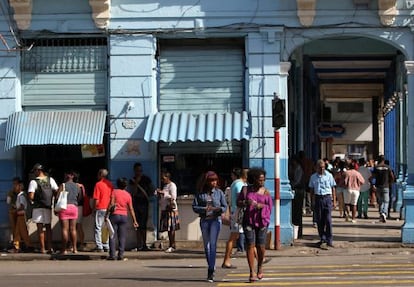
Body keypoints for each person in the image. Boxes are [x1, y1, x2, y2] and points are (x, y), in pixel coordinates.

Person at [237, 167, 273, 282]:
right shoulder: (246, 190)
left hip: (262, 221)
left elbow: (269, 207)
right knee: (250, 245)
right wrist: (245, 202)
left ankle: (260, 266)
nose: (261, 182)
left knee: (261, 246)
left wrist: (261, 206)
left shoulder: (266, 192)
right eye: (259, 180)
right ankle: (251, 271)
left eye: (263, 180)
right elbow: (238, 202)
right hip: (248, 220)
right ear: (254, 179)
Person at [192, 171, 227, 283]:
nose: (214, 182)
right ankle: (211, 264)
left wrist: (218, 209)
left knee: (212, 244)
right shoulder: (200, 193)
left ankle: (211, 270)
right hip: (204, 220)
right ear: (206, 182)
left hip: (215, 220)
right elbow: (194, 206)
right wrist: (204, 209)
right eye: (212, 180)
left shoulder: (219, 193)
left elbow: (224, 206)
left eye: (215, 180)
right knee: (206, 246)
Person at [27, 163, 59, 254]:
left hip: (37, 207)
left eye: (35, 171)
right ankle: (50, 248)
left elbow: (31, 196)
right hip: (48, 206)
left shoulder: (33, 182)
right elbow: (56, 190)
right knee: (48, 227)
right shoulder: (50, 180)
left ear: (38, 170)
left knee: (40, 228)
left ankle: (42, 248)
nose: (34, 173)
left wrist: (31, 199)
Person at [105, 177, 139, 261]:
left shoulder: (114, 192)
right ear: (126, 186)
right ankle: (121, 254)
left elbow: (111, 204)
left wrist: (106, 214)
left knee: (112, 235)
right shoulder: (128, 195)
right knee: (122, 237)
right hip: (124, 216)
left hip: (115, 215)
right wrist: (134, 220)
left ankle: (112, 255)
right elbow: (131, 209)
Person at [221, 168, 248, 268]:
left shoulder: (234, 184)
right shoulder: (240, 184)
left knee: (246, 237)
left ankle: (259, 258)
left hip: (235, 212)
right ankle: (226, 260)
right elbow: (241, 199)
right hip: (238, 214)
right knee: (234, 237)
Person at [308, 159, 336, 250]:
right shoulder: (313, 177)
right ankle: (322, 238)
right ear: (316, 168)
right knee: (320, 220)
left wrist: (334, 201)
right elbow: (311, 191)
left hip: (327, 198)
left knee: (328, 220)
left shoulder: (329, 176)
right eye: (320, 168)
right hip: (318, 198)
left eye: (323, 167)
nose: (322, 169)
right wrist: (312, 202)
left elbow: (333, 188)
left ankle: (329, 239)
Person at [129, 162, 155, 251]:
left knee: (143, 225)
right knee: (137, 225)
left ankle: (144, 244)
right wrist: (136, 183)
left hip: (144, 204)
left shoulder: (146, 179)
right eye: (137, 171)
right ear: (134, 171)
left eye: (140, 170)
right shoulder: (132, 180)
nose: (139, 172)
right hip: (136, 204)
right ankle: (139, 244)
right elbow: (133, 193)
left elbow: (152, 191)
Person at [55, 170, 82, 254]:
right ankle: (74, 249)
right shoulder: (78, 186)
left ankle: (64, 249)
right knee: (73, 229)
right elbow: (79, 197)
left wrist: (55, 209)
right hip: (74, 207)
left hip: (64, 208)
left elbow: (57, 198)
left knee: (65, 229)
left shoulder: (63, 185)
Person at [156, 171, 180, 253]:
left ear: (168, 177)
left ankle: (172, 245)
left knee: (171, 228)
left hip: (170, 210)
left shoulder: (172, 185)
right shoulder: (165, 186)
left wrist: (164, 193)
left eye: (163, 178)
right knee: (168, 228)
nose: (162, 180)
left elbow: (173, 197)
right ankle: (171, 244)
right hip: (165, 209)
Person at [92, 168, 113, 252]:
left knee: (98, 227)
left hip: (100, 207)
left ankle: (99, 246)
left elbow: (96, 198)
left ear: (100, 175)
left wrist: (94, 208)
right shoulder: (110, 184)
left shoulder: (98, 184)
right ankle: (106, 245)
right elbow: (112, 197)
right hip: (108, 208)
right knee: (106, 228)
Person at [11, 179, 34, 253]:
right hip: (20, 215)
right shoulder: (20, 195)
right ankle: (16, 246)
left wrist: (16, 210)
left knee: (22, 231)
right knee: (17, 231)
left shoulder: (21, 195)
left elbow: (22, 206)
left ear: (20, 186)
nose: (14, 187)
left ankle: (28, 245)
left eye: (16, 185)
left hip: (22, 215)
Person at [372, 155, 395, 223]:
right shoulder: (387, 167)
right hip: (386, 186)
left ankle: (381, 213)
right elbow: (392, 176)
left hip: (378, 186)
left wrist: (373, 184)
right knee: (386, 201)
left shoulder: (376, 167)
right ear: (384, 160)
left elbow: (373, 177)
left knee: (380, 201)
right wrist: (390, 182)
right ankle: (384, 213)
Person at [289, 157, 305, 239]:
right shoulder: (295, 168)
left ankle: (298, 232)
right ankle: (296, 232)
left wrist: (290, 185)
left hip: (298, 192)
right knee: (295, 213)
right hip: (296, 191)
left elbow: (296, 181)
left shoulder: (298, 169)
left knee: (297, 213)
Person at [74, 171, 87, 251]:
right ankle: (82, 243)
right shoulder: (81, 186)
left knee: (72, 227)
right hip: (80, 207)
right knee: (79, 226)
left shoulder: (71, 186)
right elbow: (84, 196)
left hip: (73, 206)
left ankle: (73, 245)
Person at [6, 177, 20, 250]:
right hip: (13, 211)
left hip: (20, 212)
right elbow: (8, 202)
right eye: (14, 184)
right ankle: (16, 244)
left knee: (19, 228)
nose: (15, 185)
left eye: (16, 184)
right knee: (14, 228)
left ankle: (18, 243)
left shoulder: (21, 193)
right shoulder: (11, 192)